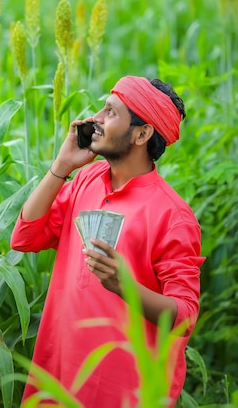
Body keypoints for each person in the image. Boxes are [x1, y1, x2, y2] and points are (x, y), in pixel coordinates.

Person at [11, 75, 204, 408]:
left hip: (127, 394)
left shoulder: (172, 216)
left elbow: (185, 315)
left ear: (142, 134)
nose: (95, 119)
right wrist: (62, 165)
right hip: (60, 380)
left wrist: (125, 285)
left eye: (111, 113)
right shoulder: (86, 179)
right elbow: (24, 236)